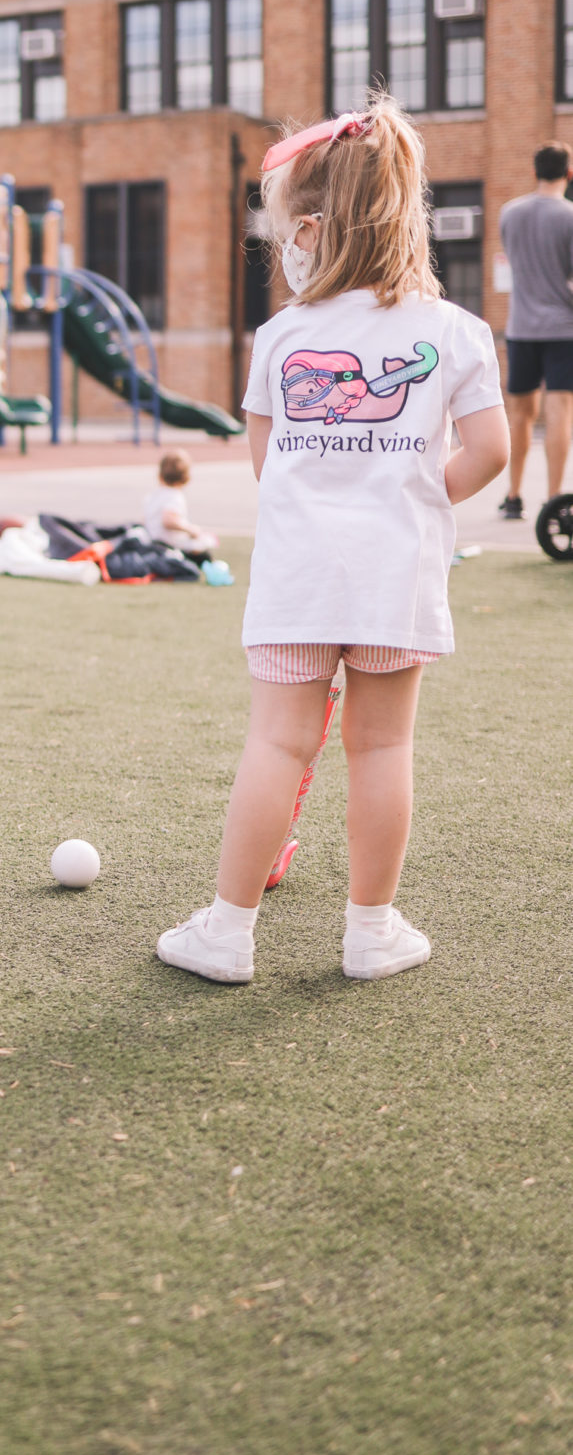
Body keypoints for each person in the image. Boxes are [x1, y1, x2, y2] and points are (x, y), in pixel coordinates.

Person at [157, 95, 508, 985]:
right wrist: (421, 499)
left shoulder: (278, 337)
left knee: (277, 745)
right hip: (394, 576)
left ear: (309, 230)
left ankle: (227, 934)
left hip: (298, 580)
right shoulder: (455, 333)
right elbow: (489, 454)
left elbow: (271, 467)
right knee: (382, 749)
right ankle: (370, 932)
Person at [497, 142, 573, 519]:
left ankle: (513, 497)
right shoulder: (570, 217)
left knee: (520, 415)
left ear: (534, 172)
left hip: (521, 327)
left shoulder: (509, 214)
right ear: (569, 173)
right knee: (560, 411)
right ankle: (555, 499)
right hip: (562, 330)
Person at [143, 450, 218, 557]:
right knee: (205, 550)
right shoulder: (174, 496)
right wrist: (191, 530)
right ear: (186, 477)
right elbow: (168, 521)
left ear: (160, 475)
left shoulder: (153, 495)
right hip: (168, 545)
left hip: (152, 541)